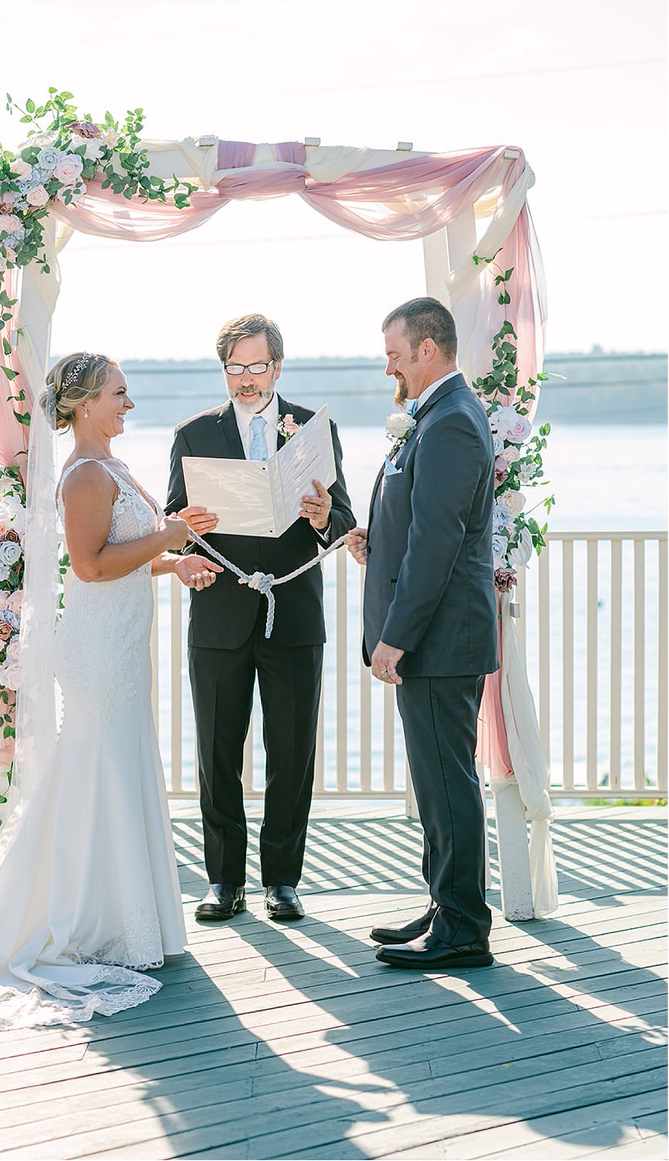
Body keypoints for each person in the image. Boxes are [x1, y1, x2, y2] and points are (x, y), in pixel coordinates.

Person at [0, 352, 214, 1052]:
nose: (130, 404)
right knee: (95, 770)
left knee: (116, 768)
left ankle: (123, 916)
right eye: (120, 394)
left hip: (122, 644)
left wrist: (173, 560)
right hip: (97, 652)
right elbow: (89, 566)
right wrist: (170, 534)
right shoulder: (85, 475)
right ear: (85, 403)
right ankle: (83, 919)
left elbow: (124, 552)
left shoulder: (113, 468)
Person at [166, 313, 356, 923]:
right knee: (216, 752)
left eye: (256, 367)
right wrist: (186, 537)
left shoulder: (313, 432)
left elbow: (344, 519)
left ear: (277, 366)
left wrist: (325, 516)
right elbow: (172, 522)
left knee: (292, 750)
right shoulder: (193, 434)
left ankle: (283, 879)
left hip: (293, 613)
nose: (245, 380)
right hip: (220, 612)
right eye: (234, 368)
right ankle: (223, 881)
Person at [347, 298, 498, 970]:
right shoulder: (436, 417)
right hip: (436, 638)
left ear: (428, 350)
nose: (389, 368)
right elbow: (422, 522)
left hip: (437, 640)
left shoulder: (451, 424)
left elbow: (439, 543)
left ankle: (464, 929)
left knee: (448, 783)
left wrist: (396, 637)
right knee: (437, 782)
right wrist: (374, 540)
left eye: (396, 355)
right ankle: (445, 904)